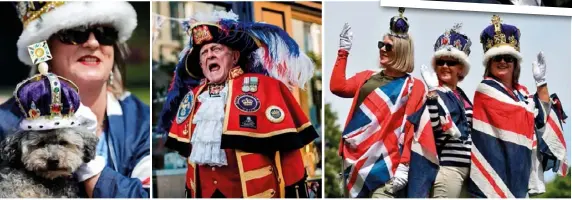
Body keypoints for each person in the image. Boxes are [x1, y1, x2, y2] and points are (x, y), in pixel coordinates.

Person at [156, 10, 318, 198]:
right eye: (204, 53)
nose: (210, 56)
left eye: (216, 49)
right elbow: (192, 161)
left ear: (234, 57)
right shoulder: (193, 99)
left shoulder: (266, 88)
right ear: (201, 65)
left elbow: (289, 152)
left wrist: (294, 191)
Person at [0, 2, 150, 198]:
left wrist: (91, 171)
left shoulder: (143, 122)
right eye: (75, 32)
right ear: (43, 46)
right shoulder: (5, 125)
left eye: (105, 33)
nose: (93, 43)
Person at [330, 8, 426, 198]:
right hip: (355, 161)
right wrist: (343, 52)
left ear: (401, 51)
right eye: (381, 44)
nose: (382, 48)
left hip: (388, 164)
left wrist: (404, 165)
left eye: (388, 46)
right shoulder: (367, 76)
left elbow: (411, 129)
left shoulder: (414, 86)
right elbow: (337, 87)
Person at [468, 15, 568, 198]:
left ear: (515, 64)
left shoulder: (522, 93)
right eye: (497, 57)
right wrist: (537, 102)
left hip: (518, 174)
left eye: (508, 57)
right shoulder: (486, 89)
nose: (503, 61)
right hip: (492, 175)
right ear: (489, 63)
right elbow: (529, 115)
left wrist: (541, 83)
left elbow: (540, 120)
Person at [419, 24, 473, 198]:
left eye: (451, 62)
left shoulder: (463, 97)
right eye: (440, 62)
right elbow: (434, 127)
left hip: (469, 171)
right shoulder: (433, 93)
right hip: (448, 167)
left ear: (461, 68)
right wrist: (432, 94)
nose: (444, 66)